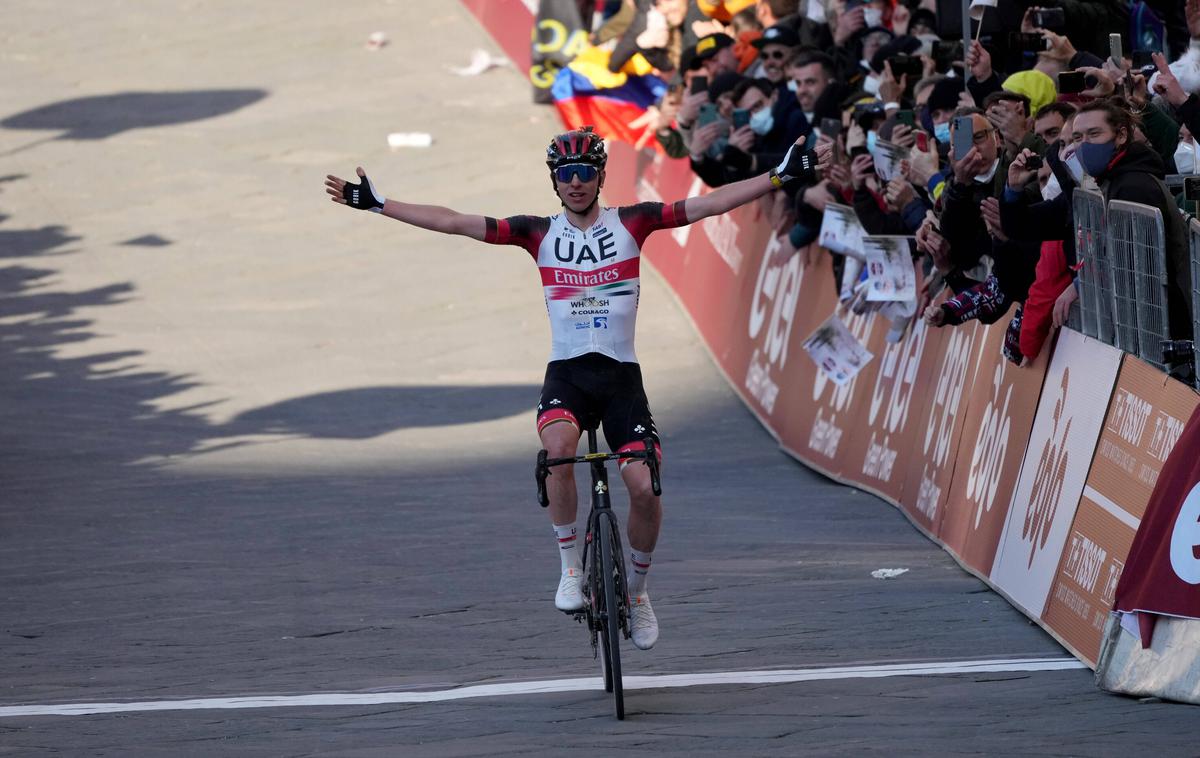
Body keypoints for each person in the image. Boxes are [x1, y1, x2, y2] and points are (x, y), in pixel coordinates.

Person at [324, 127, 828, 651]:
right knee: (558, 451)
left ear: (600, 175)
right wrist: (379, 204)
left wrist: (778, 177)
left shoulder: (635, 221)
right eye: (567, 174)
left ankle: (637, 593)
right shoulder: (536, 233)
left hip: (620, 381)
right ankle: (570, 569)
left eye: (587, 171)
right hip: (567, 375)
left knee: (645, 490)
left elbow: (708, 204)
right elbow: (454, 221)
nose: (577, 182)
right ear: (555, 181)